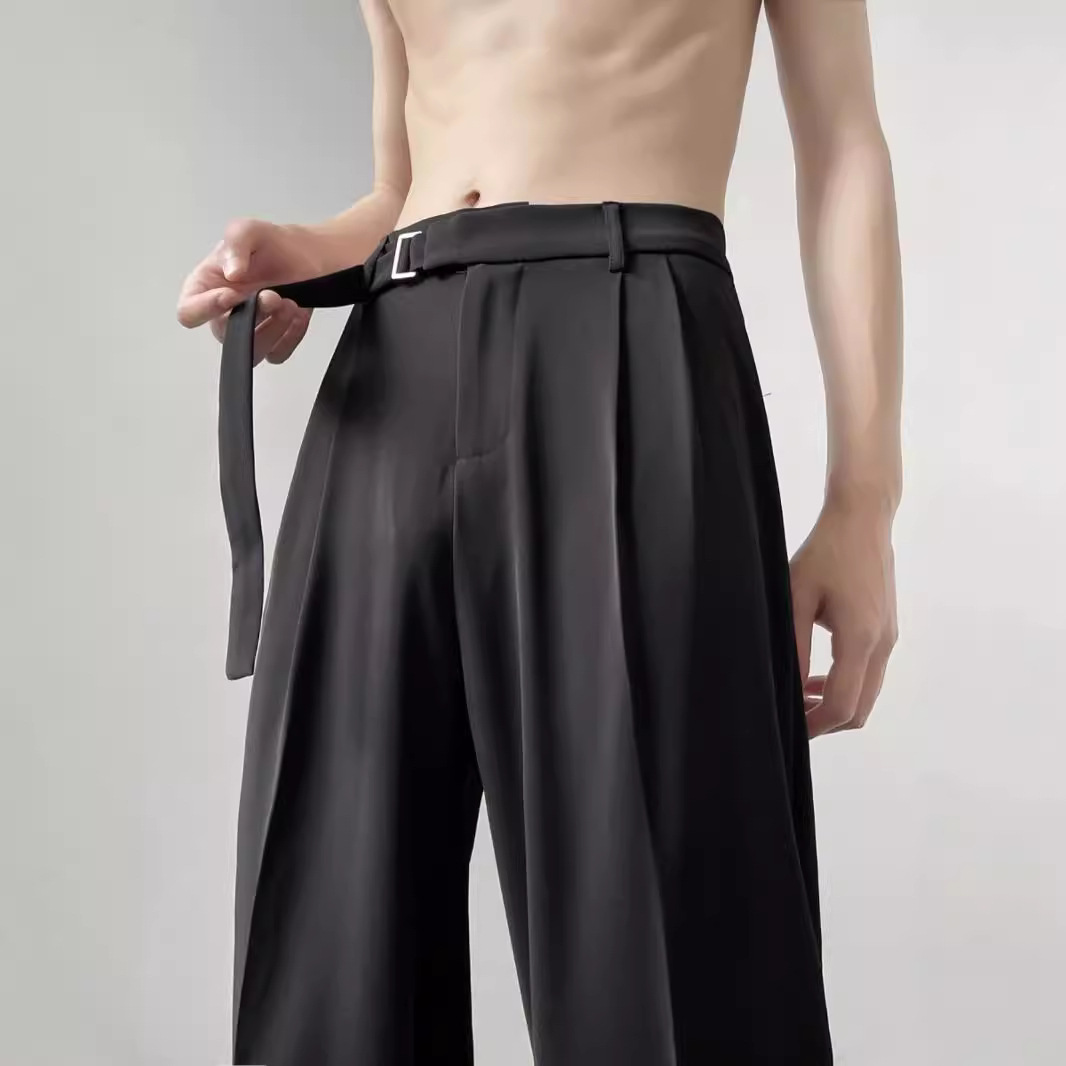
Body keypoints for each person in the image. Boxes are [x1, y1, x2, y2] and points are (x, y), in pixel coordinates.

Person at [177, 0, 902, 1062]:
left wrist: (864, 501)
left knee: (673, 951)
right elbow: (402, 184)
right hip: (392, 369)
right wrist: (299, 253)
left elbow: (842, 147)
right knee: (327, 947)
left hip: (627, 327)